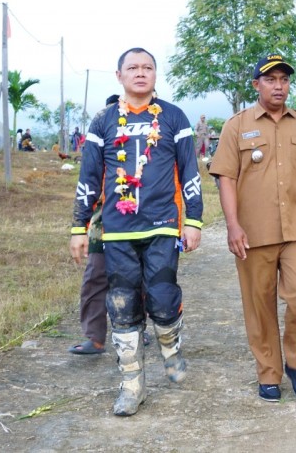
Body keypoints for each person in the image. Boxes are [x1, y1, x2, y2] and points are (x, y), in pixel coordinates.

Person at [70, 47, 203, 416]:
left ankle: (171, 347)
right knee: (122, 307)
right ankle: (132, 386)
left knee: (162, 300)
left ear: (156, 75)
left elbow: (190, 172)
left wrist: (193, 220)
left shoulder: (174, 117)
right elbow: (88, 178)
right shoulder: (103, 121)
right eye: (133, 67)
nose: (140, 73)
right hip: (116, 232)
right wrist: (79, 226)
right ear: (119, 76)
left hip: (162, 226)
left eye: (147, 67)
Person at [209, 53, 296, 402]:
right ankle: (268, 372)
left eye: (284, 79)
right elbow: (227, 179)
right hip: (254, 230)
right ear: (256, 85)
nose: (279, 86)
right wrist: (233, 226)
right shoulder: (237, 125)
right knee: (258, 304)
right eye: (271, 79)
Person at [68, 95, 119, 356]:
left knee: (140, 278)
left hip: (142, 219)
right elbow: (87, 180)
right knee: (95, 276)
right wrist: (80, 225)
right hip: (103, 219)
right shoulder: (97, 138)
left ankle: (139, 330)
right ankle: (95, 338)